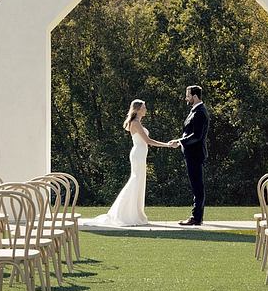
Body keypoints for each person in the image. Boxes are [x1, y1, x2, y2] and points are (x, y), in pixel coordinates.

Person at [89, 99, 174, 227]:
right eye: (144, 107)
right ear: (138, 109)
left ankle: (135, 213)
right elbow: (148, 141)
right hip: (138, 154)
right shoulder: (135, 123)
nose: (145, 109)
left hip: (140, 154)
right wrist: (167, 145)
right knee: (135, 182)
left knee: (138, 183)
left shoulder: (137, 122)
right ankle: (126, 214)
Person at [168, 85, 210, 226]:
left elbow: (197, 136)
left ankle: (196, 217)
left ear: (195, 96)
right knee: (195, 185)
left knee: (197, 186)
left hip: (195, 154)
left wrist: (179, 142)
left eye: (188, 95)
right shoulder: (195, 111)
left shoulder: (200, 112)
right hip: (191, 154)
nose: (186, 97)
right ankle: (196, 216)